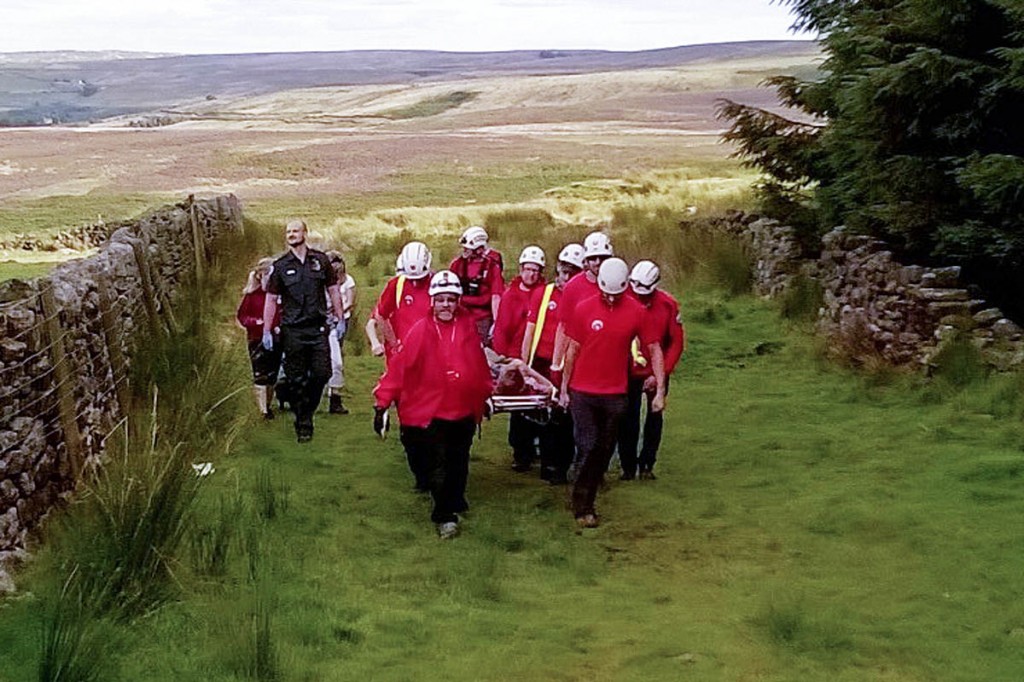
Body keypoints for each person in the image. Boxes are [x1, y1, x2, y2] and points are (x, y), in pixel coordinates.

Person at [373, 270, 493, 539]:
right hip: (432, 411)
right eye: (440, 300)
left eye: (451, 299)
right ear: (432, 302)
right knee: (438, 465)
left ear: (458, 301)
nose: (446, 305)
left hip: (463, 410)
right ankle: (444, 517)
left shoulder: (468, 327)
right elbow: (399, 369)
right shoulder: (420, 331)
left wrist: (485, 395)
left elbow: (478, 365)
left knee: (459, 461)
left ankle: (455, 498)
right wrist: (382, 403)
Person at [559, 258, 665, 529]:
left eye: (616, 294)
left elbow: (654, 349)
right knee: (588, 444)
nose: (610, 299)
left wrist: (660, 391)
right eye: (606, 293)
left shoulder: (637, 312)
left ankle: (586, 490)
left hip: (616, 392)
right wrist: (564, 388)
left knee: (603, 449)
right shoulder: (583, 309)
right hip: (583, 391)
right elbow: (572, 350)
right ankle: (583, 505)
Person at [262, 219, 346, 443]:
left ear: (305, 233)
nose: (291, 234)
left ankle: (306, 409)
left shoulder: (320, 261)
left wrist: (340, 318)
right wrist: (266, 330)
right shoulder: (280, 266)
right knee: (296, 379)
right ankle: (303, 424)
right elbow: (271, 299)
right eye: (288, 232)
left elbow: (333, 290)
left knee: (322, 373)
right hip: (293, 331)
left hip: (318, 328)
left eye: (295, 231)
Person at [520, 243, 583, 483]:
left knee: (563, 417)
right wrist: (524, 365)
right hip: (542, 363)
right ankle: (542, 461)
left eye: (570, 273)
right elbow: (530, 330)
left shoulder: (583, 299)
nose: (564, 278)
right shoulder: (543, 294)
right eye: (562, 272)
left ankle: (560, 465)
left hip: (569, 365)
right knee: (541, 414)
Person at [618, 260, 685, 480]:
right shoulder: (623, 299)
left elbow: (676, 343)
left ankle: (647, 464)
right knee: (628, 418)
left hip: (657, 370)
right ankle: (627, 466)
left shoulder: (668, 305)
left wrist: (660, 375)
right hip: (628, 371)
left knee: (655, 416)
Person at [492, 246, 547, 472]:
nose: (531, 274)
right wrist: (506, 359)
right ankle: (521, 452)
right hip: (516, 358)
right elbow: (502, 328)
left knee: (542, 406)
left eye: (535, 270)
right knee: (519, 408)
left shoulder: (545, 294)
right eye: (528, 269)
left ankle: (541, 448)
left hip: (539, 358)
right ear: (521, 269)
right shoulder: (510, 296)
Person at [551, 231, 614, 370]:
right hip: (580, 359)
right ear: (586, 260)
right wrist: (556, 363)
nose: (598, 262)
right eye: (593, 258)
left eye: (602, 258)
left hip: (612, 357)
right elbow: (563, 327)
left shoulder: (618, 284)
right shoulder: (573, 287)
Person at [236, 257, 282, 420]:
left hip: (277, 338)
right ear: (259, 275)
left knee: (272, 374)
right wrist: (256, 322)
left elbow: (283, 313)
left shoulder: (279, 296)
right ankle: (263, 411)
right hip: (256, 338)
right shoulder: (251, 296)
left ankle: (268, 404)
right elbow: (242, 316)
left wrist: (279, 326)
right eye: (267, 275)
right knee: (260, 372)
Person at [372, 241, 433, 360]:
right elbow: (381, 315)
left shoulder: (437, 283)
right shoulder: (396, 285)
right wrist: (394, 343)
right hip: (404, 352)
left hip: (431, 351)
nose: (415, 282)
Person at [450, 226, 505, 342]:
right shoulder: (457, 265)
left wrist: (496, 322)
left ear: (479, 249)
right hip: (460, 316)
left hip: (482, 319)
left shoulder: (491, 267)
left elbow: (496, 297)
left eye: (468, 248)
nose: (464, 250)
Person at [325, 251, 357, 415]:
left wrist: (339, 314)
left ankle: (334, 397)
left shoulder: (348, 281)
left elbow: (350, 301)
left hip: (339, 321)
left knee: (336, 360)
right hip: (324, 323)